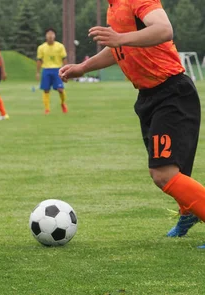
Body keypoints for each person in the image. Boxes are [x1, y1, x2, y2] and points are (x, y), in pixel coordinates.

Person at [59, 0, 204, 244]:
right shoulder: (114, 6)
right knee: (171, 170)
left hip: (172, 93)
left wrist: (120, 39)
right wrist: (83, 67)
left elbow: (163, 29)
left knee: (163, 173)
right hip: (149, 96)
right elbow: (118, 49)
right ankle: (189, 212)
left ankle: (191, 211)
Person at [36, 28, 68, 115]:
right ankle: (47, 109)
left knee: (60, 89)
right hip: (46, 70)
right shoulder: (41, 47)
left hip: (57, 69)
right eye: (48, 34)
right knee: (46, 90)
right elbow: (39, 60)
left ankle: (63, 103)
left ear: (55, 35)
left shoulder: (60, 46)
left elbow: (64, 59)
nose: (50, 36)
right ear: (46, 36)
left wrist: (66, 70)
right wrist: (38, 72)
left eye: (52, 34)